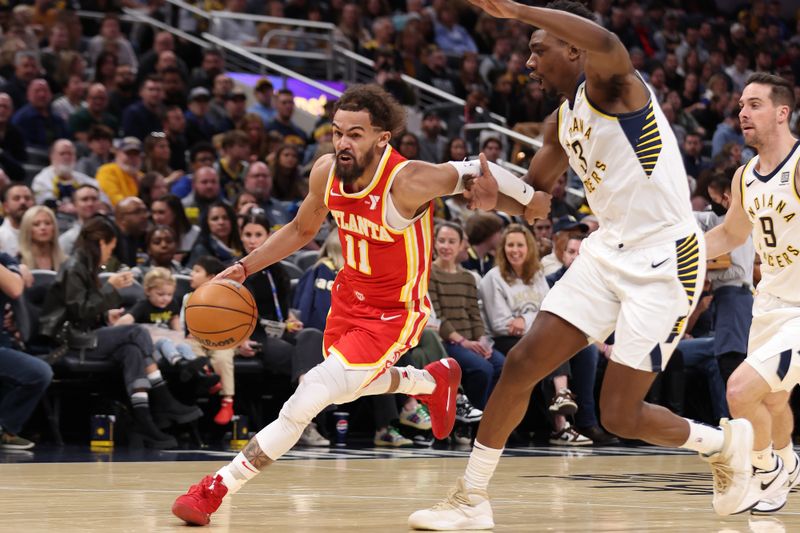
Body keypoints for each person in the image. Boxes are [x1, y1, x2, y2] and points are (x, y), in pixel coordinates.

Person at [410, 2, 755, 529]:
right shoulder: (559, 122)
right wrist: (487, 196)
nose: (528, 62)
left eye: (537, 49)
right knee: (524, 364)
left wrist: (519, 10)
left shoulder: (619, 88)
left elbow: (609, 43)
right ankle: (470, 498)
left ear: (573, 48)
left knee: (621, 414)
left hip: (667, 257)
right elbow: (535, 199)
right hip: (606, 250)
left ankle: (723, 443)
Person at [171, 83, 551, 525]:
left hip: (395, 313)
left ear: (381, 137)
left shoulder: (408, 180)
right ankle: (427, 382)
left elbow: (477, 168)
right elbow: (299, 230)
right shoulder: (326, 172)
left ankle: (213, 490)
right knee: (346, 388)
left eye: (355, 134)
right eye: (337, 132)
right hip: (348, 298)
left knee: (308, 396)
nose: (343, 143)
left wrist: (530, 202)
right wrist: (244, 267)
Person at [704, 73, 800, 515]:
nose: (743, 112)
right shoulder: (744, 176)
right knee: (772, 400)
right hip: (770, 304)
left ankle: (766, 470)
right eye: (742, 104)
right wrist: (673, 254)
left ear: (782, 113)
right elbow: (729, 234)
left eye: (756, 104)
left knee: (741, 390)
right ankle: (786, 464)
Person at [38, 216, 201, 449]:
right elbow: (80, 310)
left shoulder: (83, 265)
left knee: (131, 350)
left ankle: (145, 423)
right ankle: (164, 398)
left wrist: (106, 316)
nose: (109, 255)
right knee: (135, 331)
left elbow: (82, 309)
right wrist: (110, 287)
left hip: (82, 334)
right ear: (101, 242)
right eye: (110, 248)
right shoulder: (74, 266)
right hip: (67, 341)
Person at [429, 221, 506, 411]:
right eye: (442, 241)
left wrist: (481, 340)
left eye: (451, 241)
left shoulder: (467, 277)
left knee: (502, 365)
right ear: (435, 243)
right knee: (482, 369)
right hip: (448, 341)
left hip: (471, 341)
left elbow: (474, 313)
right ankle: (471, 421)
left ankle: (489, 418)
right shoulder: (429, 273)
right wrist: (464, 342)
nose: (446, 246)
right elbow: (438, 317)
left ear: (460, 245)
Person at [0, 251, 53, 450]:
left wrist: (20, 269)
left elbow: (15, 288)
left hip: (2, 344)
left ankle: (6, 429)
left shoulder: (4, 260)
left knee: (39, 372)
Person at [17, 205, 66, 272]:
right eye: (36, 224)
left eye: (47, 223)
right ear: (27, 229)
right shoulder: (17, 262)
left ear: (54, 228)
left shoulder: (65, 262)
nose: (43, 228)